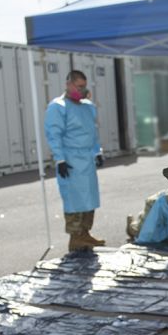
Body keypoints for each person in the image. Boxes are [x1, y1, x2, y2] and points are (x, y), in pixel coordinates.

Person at [45, 70, 106, 252]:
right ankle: (75, 237)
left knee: (90, 198)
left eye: (84, 86)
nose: (82, 90)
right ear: (68, 84)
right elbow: (54, 134)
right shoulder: (58, 106)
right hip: (70, 159)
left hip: (87, 159)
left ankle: (85, 233)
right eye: (79, 86)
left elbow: (92, 133)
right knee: (74, 200)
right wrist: (60, 159)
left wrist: (97, 152)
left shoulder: (88, 107)